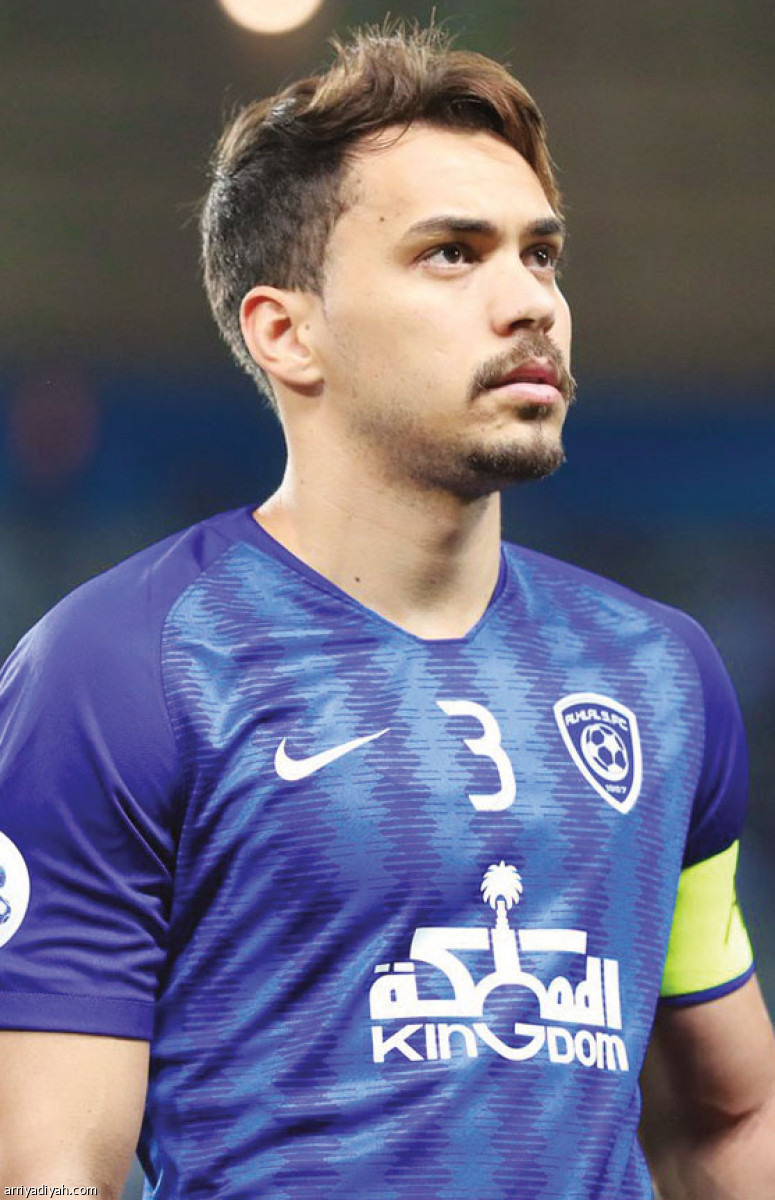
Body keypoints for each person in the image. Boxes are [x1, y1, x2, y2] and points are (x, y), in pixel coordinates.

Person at [0, 23, 773, 1200]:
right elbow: (48, 1169)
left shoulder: (662, 676)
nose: (530, 303)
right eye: (453, 254)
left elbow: (727, 1114)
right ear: (286, 332)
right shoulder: (118, 672)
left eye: (540, 255)